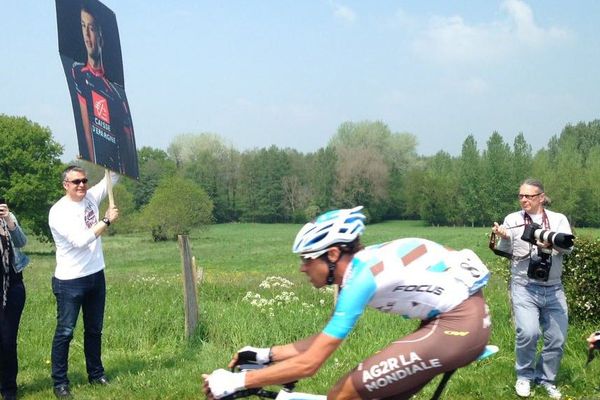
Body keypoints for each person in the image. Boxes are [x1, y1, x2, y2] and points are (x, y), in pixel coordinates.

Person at [203, 206, 492, 400]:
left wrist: (236, 383)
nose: (303, 268)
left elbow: (310, 364)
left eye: (307, 259)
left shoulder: (360, 279)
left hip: (457, 327)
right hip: (454, 321)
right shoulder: (356, 271)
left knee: (342, 393)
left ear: (331, 255)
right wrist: (266, 355)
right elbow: (323, 340)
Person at [492, 178, 573, 399]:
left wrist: (550, 244)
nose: (524, 199)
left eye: (528, 196)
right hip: (524, 287)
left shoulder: (558, 219)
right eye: (521, 196)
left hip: (554, 287)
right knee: (528, 332)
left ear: (541, 197)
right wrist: (504, 237)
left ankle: (546, 379)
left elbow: (568, 247)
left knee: (556, 338)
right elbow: (505, 251)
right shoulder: (512, 219)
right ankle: (524, 376)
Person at [48, 166, 119, 398]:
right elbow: (80, 241)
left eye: (84, 180)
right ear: (65, 185)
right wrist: (106, 220)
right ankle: (60, 383)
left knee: (94, 330)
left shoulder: (90, 196)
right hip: (70, 281)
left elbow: (111, 178)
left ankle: (96, 375)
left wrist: (113, 158)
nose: (81, 185)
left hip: (96, 275)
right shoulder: (59, 212)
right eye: (76, 182)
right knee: (65, 332)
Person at [71, 0, 138, 178]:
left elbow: (128, 152)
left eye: (91, 28)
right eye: (83, 26)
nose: (86, 34)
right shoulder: (79, 74)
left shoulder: (117, 93)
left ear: (100, 36)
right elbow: (86, 131)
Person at [0, 200, 29, 400]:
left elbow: (21, 242)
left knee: (8, 340)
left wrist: (9, 219)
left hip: (13, 287)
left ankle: (9, 388)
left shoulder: (7, 218)